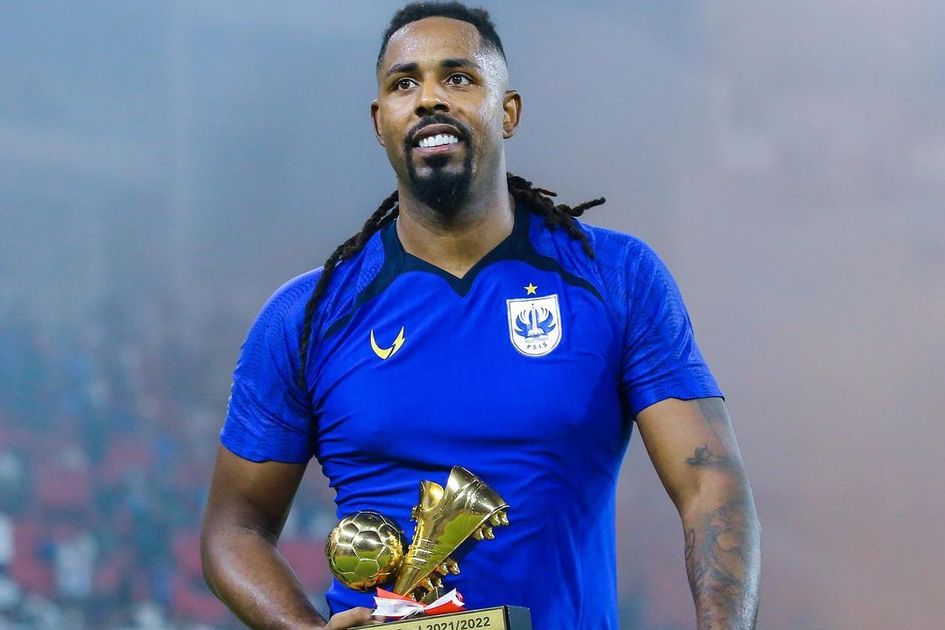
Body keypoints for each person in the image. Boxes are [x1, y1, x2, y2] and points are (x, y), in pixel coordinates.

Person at [200, 3, 761, 629]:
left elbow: (710, 484)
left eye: (459, 78)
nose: (429, 98)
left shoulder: (615, 277)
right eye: (404, 84)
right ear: (380, 122)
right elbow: (234, 528)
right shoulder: (305, 316)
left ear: (508, 112)